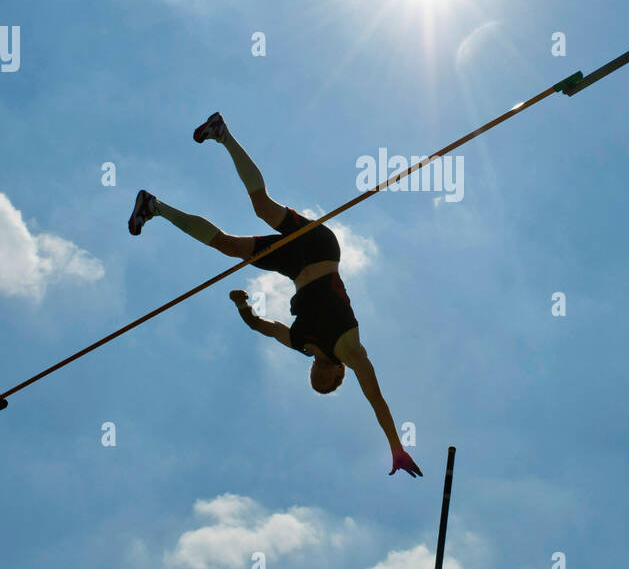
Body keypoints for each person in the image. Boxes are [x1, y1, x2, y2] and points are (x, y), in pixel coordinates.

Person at [128, 112, 423, 478]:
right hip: (320, 250)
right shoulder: (349, 350)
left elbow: (260, 327)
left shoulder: (300, 343)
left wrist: (241, 306)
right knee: (262, 207)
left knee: (226, 246)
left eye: (312, 381)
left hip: (293, 266)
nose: (315, 379)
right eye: (324, 383)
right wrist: (396, 447)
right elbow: (376, 400)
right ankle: (223, 134)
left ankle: (153, 206)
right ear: (337, 375)